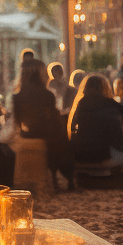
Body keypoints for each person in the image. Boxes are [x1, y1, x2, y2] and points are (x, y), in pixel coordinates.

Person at [13, 59, 75, 190]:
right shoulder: (47, 95)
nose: (47, 75)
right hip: (48, 135)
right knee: (64, 139)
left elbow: (18, 122)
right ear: (38, 74)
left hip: (28, 134)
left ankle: (51, 177)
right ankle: (69, 178)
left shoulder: (17, 96)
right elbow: (52, 120)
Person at [68, 74, 123, 165]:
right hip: (106, 156)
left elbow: (72, 129)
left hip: (80, 154)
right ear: (105, 88)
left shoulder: (81, 103)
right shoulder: (113, 105)